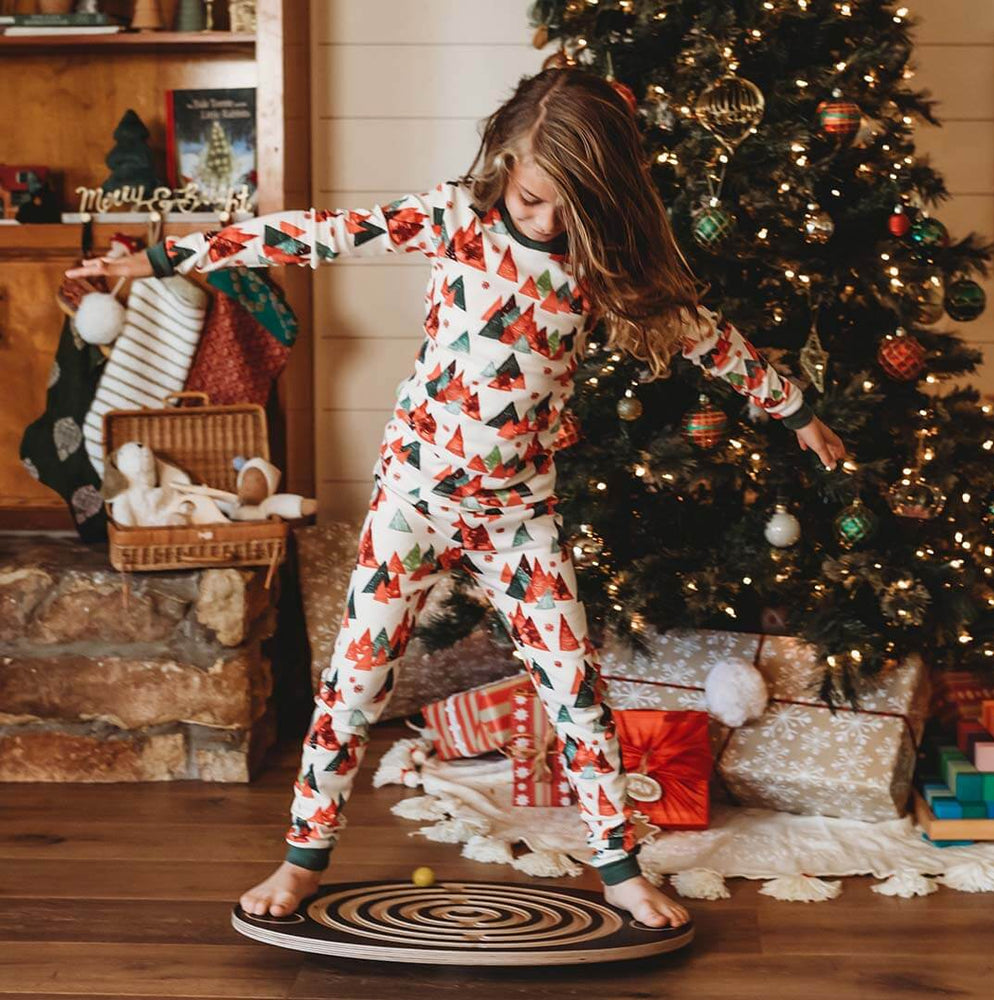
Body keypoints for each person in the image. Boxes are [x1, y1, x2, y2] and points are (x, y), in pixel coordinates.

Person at [66, 67, 846, 929]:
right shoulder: (456, 219)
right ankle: (299, 863)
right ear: (506, 161)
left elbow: (707, 337)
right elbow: (314, 234)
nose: (544, 221)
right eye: (535, 198)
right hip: (412, 499)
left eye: (568, 209)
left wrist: (798, 412)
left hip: (518, 518)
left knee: (575, 689)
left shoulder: (599, 265)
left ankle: (620, 870)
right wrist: (162, 255)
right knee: (353, 683)